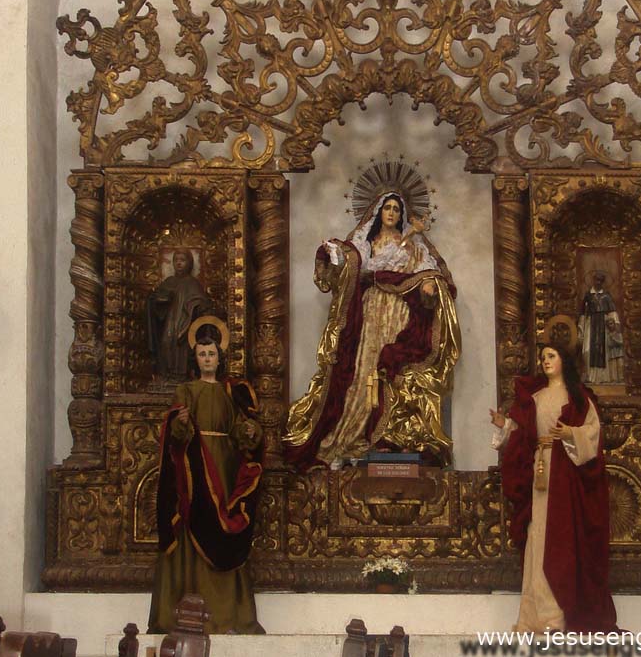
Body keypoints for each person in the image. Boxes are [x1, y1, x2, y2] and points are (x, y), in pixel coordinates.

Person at [284, 191, 461, 470]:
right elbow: (351, 267)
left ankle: (387, 435)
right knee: (363, 370)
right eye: (387, 208)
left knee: (390, 368)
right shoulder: (367, 243)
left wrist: (429, 285)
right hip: (370, 312)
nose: (391, 213)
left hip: (398, 312)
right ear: (379, 212)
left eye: (396, 209)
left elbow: (428, 273)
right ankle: (356, 434)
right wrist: (335, 254)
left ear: (401, 215)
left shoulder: (414, 247)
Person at [148, 317, 264, 634]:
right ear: (194, 358)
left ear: (219, 356)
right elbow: (175, 433)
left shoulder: (231, 392)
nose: (207, 359)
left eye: (212, 353)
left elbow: (240, 429)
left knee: (224, 528)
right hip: (196, 470)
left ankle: (229, 616)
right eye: (202, 354)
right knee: (195, 525)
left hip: (224, 468)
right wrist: (181, 423)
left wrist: (249, 431)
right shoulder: (186, 390)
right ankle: (187, 611)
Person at [490, 345, 616, 634]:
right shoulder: (535, 398)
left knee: (559, 540)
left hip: (565, 475)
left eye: (551, 356)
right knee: (538, 538)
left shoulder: (577, 397)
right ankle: (533, 618)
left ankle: (555, 617)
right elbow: (523, 434)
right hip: (540, 470)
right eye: (543, 357)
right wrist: (504, 425)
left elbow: (593, 432)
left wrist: (570, 432)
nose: (545, 361)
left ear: (563, 361)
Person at [147, 248, 213, 380]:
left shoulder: (193, 283)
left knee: (183, 348)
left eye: (182, 260)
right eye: (176, 260)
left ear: (190, 263)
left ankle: (182, 376)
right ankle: (165, 374)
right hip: (169, 322)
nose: (179, 263)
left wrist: (198, 306)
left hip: (185, 324)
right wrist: (157, 301)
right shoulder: (169, 282)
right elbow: (155, 302)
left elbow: (201, 303)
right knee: (166, 343)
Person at [578, 271, 624, 384]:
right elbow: (583, 314)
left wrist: (614, 325)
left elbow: (612, 312)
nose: (598, 282)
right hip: (591, 324)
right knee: (587, 351)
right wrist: (581, 329)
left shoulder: (606, 296)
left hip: (604, 325)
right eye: (596, 280)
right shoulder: (588, 296)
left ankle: (603, 378)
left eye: (600, 280)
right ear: (593, 280)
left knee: (603, 351)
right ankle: (590, 376)